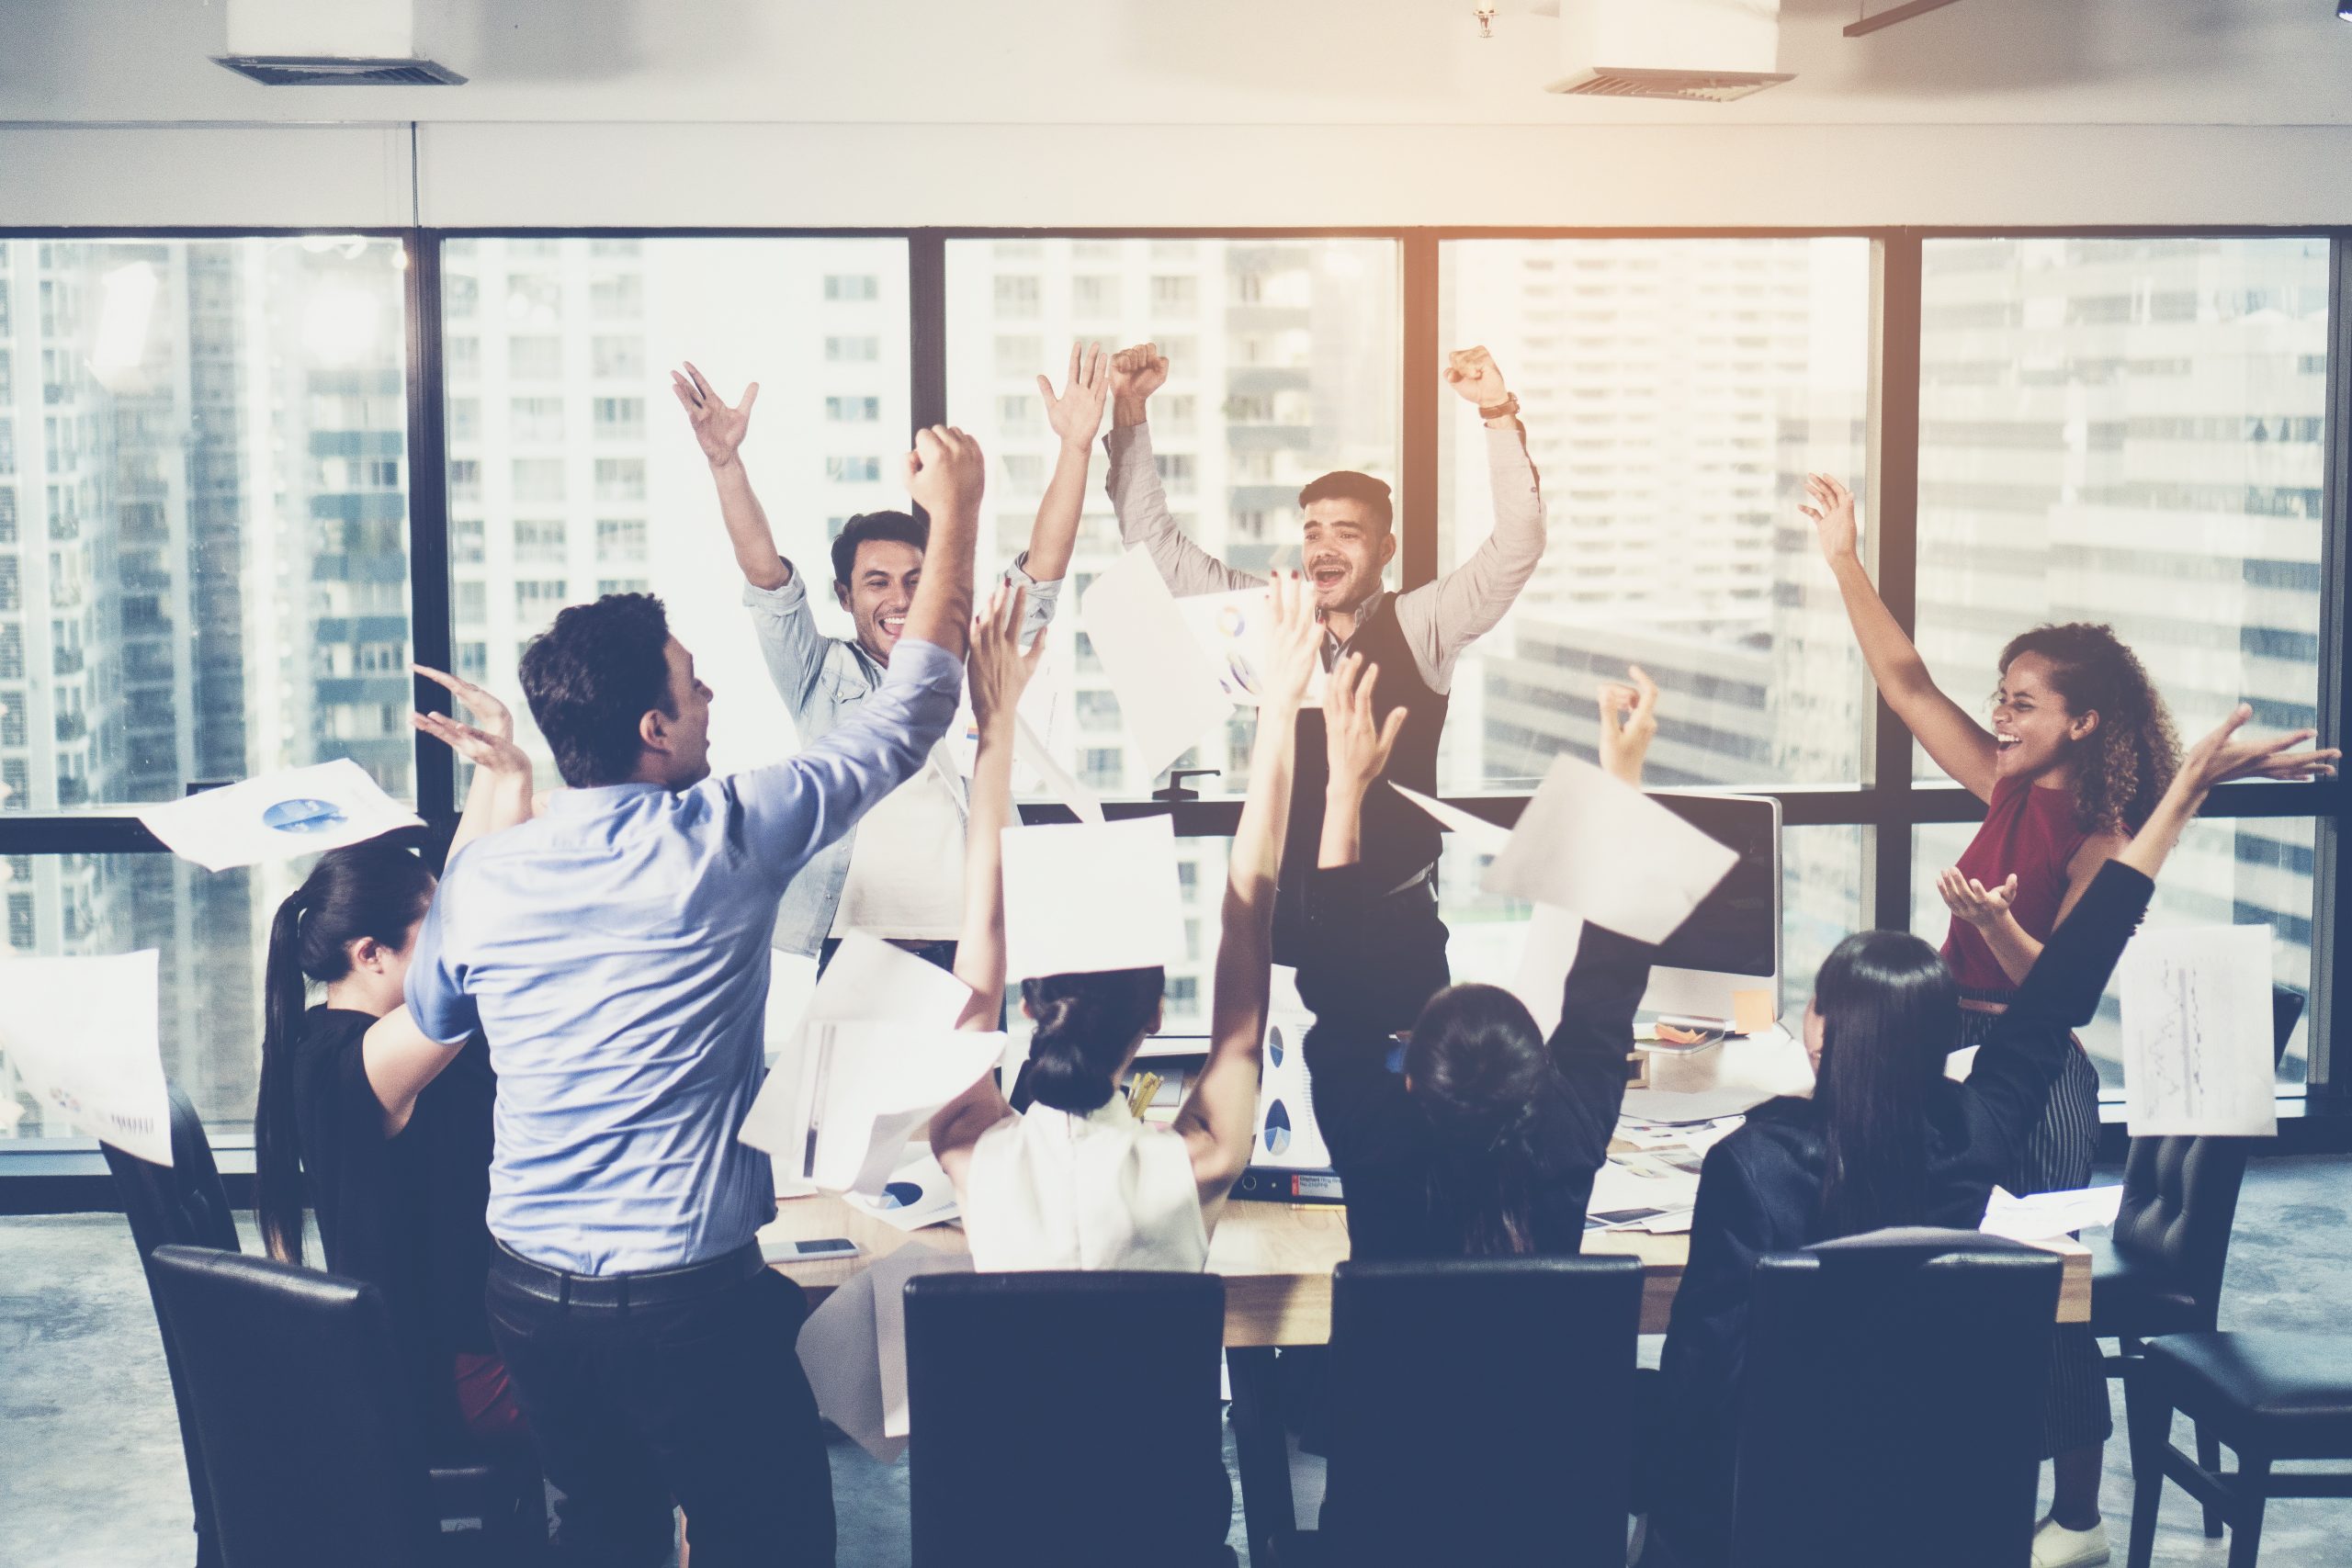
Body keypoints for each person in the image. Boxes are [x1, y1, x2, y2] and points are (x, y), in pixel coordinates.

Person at [402, 425, 988, 1568]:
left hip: (524, 1296)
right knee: (762, 1541)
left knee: (602, 1531)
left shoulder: (481, 876)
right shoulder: (725, 837)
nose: (712, 692)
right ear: (652, 730)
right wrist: (956, 507)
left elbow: (431, 1024)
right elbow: (913, 711)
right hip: (685, 1307)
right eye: (691, 682)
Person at [1641, 705, 2338, 1568]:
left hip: (1772, 1518)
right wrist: (2183, 794)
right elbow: (2068, 977)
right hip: (1940, 1509)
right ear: (1942, 1044)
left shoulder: (1749, 1167)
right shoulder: (1974, 1137)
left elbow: (1700, 1384)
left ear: (1819, 1032)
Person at [1803, 470, 2195, 1560]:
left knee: (2046, 1293)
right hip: (1950, 1048)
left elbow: (2056, 992)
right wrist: (1843, 557)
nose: (2000, 714)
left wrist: (1996, 923)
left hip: (2037, 1074)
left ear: (2082, 720)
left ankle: (2077, 1519)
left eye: (2022, 702)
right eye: (2004, 696)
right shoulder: (2009, 785)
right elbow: (1905, 681)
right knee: (1948, 1276)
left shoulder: (2105, 831)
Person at [1102, 341, 1546, 1021]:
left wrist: (1496, 412)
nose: (1324, 549)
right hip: (1285, 928)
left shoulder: (1423, 623)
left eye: (1347, 533)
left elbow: (1518, 542)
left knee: (1404, 1115)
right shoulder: (1266, 618)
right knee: (1283, 1110)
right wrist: (1130, 411)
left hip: (1399, 933)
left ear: (1386, 550)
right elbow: (1155, 548)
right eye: (1313, 533)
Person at [930, 570, 1323, 1269]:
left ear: (1028, 1001)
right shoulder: (1202, 1159)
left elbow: (981, 933)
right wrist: (1281, 705)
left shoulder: (967, 1148)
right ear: (1155, 1015)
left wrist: (995, 723)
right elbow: (1249, 921)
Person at [672, 348, 1108, 971]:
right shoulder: (817, 676)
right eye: (877, 583)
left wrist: (1076, 447)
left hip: (967, 939)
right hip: (853, 946)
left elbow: (1040, 573)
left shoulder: (974, 659)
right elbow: (766, 574)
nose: (900, 598)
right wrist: (725, 461)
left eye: (915, 579)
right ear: (845, 598)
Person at [253, 664, 537, 1448]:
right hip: (451, 1379)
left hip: (471, 1343)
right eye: (429, 932)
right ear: (372, 952)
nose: (447, 937)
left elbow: (458, 908)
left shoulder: (340, 1028)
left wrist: (499, 763)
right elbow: (474, 940)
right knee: (674, 1393)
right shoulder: (366, 1064)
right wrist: (516, 788)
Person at [1298, 662, 1664, 1260]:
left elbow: (1335, 991)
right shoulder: (1565, 1139)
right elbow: (1609, 985)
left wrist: (1344, 788)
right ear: (1539, 1082)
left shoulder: (1374, 1141)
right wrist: (1621, 785)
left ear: (1408, 1078)